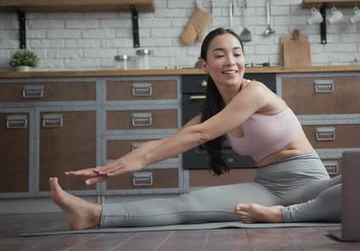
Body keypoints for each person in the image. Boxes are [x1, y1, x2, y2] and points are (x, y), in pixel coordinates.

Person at [49, 28, 342, 230]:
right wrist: (111, 167)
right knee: (189, 204)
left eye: (237, 53)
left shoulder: (257, 92)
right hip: (269, 187)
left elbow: (198, 135)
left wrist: (138, 162)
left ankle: (281, 216)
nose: (231, 61)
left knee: (357, 185)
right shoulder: (213, 111)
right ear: (205, 64)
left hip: (310, 185)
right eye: (220, 54)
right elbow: (172, 141)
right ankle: (93, 215)